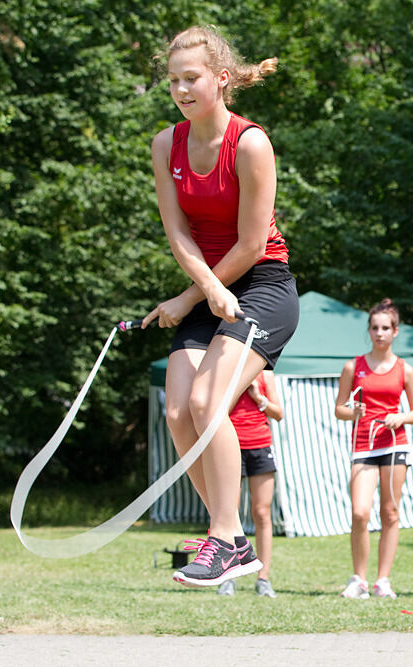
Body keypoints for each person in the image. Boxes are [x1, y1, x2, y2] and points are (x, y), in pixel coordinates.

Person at [141, 26, 299, 587]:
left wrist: (192, 295)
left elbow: (254, 245)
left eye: (192, 78)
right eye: (173, 80)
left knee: (210, 401)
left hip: (262, 287)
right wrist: (202, 290)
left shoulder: (250, 142)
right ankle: (230, 538)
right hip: (211, 287)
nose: (181, 89)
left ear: (222, 79)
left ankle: (224, 538)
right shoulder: (167, 145)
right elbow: (177, 233)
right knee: (179, 412)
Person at [333, 299, 413, 599]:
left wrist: (401, 416)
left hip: (395, 444)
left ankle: (382, 580)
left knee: (390, 512)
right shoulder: (353, 366)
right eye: (375, 328)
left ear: (395, 331)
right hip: (363, 445)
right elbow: (339, 409)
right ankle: (358, 578)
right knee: (360, 512)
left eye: (385, 328)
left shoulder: (404, 369)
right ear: (369, 331)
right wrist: (353, 410)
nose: (379, 333)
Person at [218, 371, 284, 598]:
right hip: (230, 446)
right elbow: (214, 412)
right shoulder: (226, 370)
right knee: (229, 515)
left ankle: (263, 578)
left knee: (262, 513)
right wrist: (237, 389)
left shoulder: (266, 375)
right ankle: (228, 576)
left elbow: (279, 414)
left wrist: (259, 397)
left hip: (260, 446)